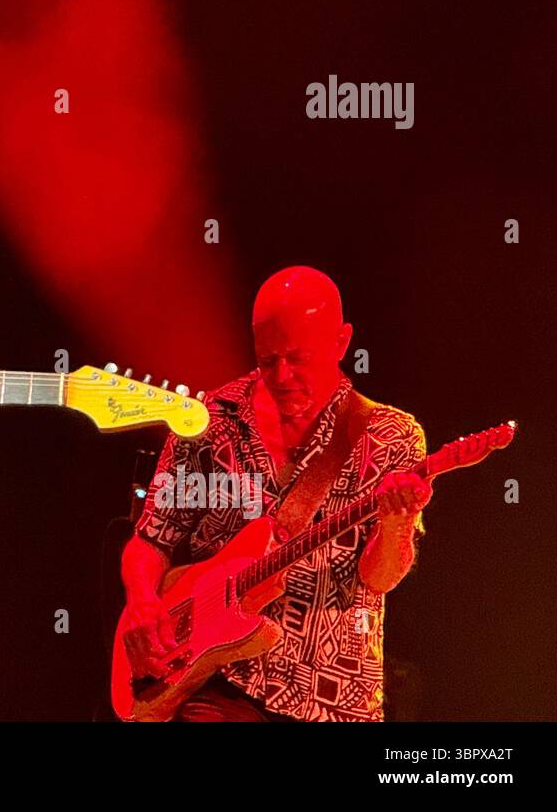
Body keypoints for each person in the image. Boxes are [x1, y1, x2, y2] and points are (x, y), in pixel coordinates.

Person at [120, 266, 430, 721]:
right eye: (268, 360)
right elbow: (151, 540)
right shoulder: (210, 420)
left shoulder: (390, 435)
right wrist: (142, 603)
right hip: (218, 682)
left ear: (342, 343)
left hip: (335, 701)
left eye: (298, 358)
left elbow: (380, 578)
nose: (281, 376)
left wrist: (398, 521)